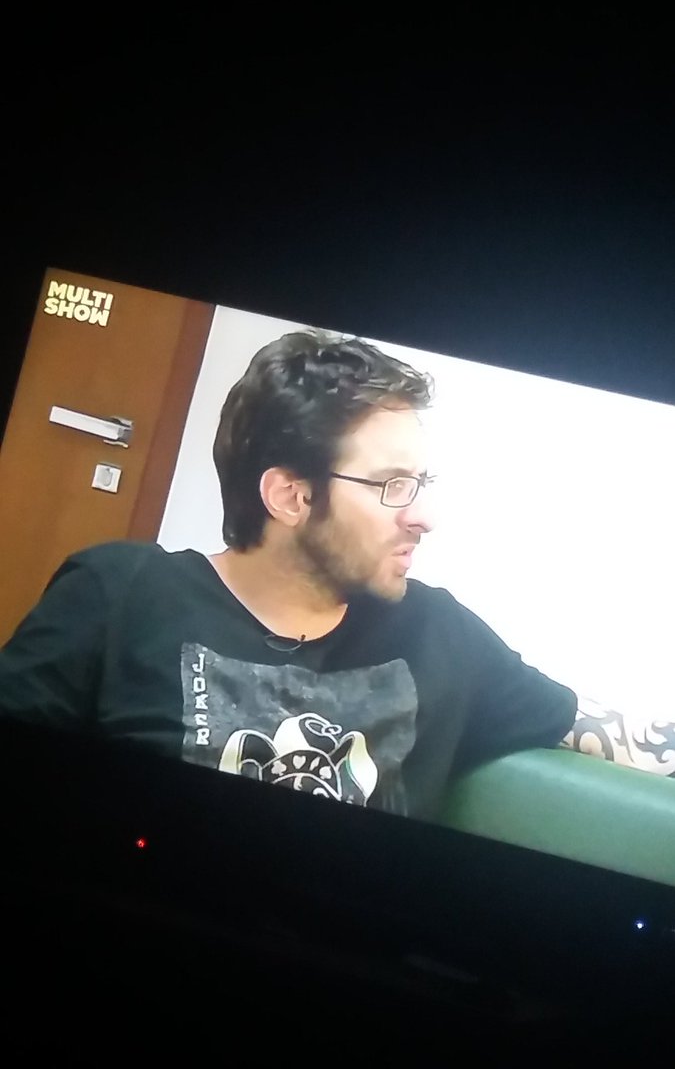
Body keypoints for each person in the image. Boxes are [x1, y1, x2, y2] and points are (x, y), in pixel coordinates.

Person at [0, 328, 673, 820]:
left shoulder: (437, 633)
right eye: (391, 485)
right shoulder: (119, 594)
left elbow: (598, 729)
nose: (424, 516)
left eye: (421, 482)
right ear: (290, 496)